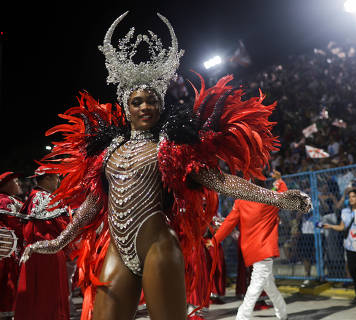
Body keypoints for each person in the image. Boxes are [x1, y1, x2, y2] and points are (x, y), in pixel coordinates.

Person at [19, 12, 311, 320]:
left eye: (153, 100)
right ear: (125, 107)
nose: (146, 106)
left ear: (161, 104)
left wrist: (276, 198)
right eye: (138, 101)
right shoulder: (107, 152)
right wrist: (60, 240)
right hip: (118, 251)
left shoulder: (170, 147)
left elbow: (219, 181)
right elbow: (93, 203)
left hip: (158, 247)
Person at [207, 173, 290, 320]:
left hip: (251, 251)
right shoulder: (270, 199)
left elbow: (228, 224)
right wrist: (279, 179)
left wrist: (214, 241)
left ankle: (279, 313)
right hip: (265, 250)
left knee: (263, 286)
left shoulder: (240, 202)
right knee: (258, 287)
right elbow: (283, 193)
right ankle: (246, 316)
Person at [15, 167, 71, 320]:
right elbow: (62, 226)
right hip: (47, 252)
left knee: (37, 296)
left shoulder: (34, 196)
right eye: (56, 177)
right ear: (46, 179)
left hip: (36, 252)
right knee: (49, 296)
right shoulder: (45, 197)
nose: (58, 181)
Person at [323, 189, 356, 304]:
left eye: (354, 196)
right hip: (350, 245)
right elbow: (342, 227)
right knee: (352, 270)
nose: (351, 199)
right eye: (350, 196)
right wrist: (330, 226)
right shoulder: (345, 211)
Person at [0, 172, 24, 320]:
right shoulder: (4, 202)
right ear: (6, 184)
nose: (19, 184)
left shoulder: (10, 200)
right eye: (16, 181)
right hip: (8, 256)